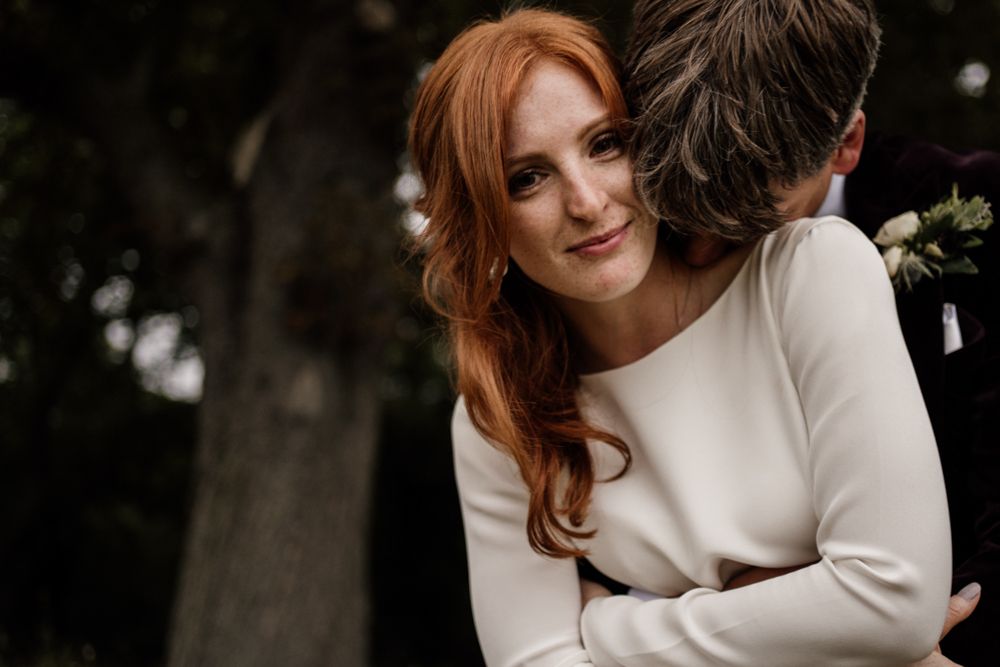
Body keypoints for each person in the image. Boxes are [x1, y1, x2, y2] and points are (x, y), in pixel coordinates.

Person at [409, 7, 951, 666]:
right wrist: (816, 613)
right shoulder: (500, 417)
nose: (587, 201)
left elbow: (895, 601)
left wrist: (617, 626)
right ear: (480, 219)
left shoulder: (810, 271)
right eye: (527, 178)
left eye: (604, 144)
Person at [621, 1, 1000, 664]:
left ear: (846, 143)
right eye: (685, 213)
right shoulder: (612, 226)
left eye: (749, 218)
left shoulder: (975, 207)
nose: (701, 251)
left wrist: (914, 641)